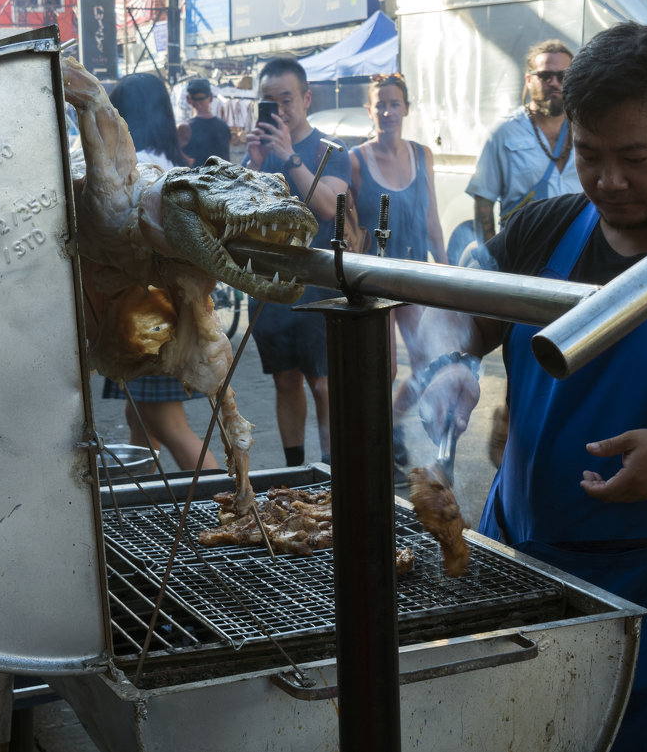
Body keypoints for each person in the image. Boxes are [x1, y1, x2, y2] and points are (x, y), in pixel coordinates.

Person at [415, 18, 647, 752]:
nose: (608, 181)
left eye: (635, 157)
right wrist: (448, 366)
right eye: (588, 155)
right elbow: (452, 320)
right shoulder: (545, 229)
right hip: (515, 565)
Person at [99, 73, 221, 472]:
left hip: (149, 318)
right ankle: (145, 503)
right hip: (156, 315)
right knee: (142, 422)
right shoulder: (166, 165)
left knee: (168, 425)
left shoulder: (140, 172)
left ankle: (234, 506)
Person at [242, 57, 351, 466]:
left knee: (323, 384)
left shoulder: (329, 149)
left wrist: (290, 157)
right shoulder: (259, 150)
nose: (279, 110)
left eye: (285, 100)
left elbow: (329, 208)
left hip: (321, 285)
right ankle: (294, 468)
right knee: (285, 381)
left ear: (305, 99)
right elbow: (234, 211)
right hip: (270, 284)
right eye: (268, 102)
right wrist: (253, 161)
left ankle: (329, 467)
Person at [348, 73, 447, 479]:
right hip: (376, 275)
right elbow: (349, 224)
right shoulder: (355, 159)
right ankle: (372, 443)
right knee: (383, 367)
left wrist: (446, 272)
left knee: (429, 361)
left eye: (394, 103)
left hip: (416, 271)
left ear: (406, 107)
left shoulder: (423, 154)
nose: (387, 111)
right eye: (380, 104)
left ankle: (389, 423)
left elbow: (432, 217)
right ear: (369, 111)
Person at [466, 39, 581, 245]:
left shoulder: (586, 130)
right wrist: (492, 260)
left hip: (576, 252)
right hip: (523, 254)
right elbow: (483, 203)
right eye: (545, 76)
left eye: (562, 76)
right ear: (529, 80)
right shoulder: (504, 133)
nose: (555, 82)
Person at [182, 77, 231, 165]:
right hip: (222, 177)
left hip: (195, 178)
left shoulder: (184, 128)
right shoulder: (223, 126)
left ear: (188, 99)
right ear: (211, 97)